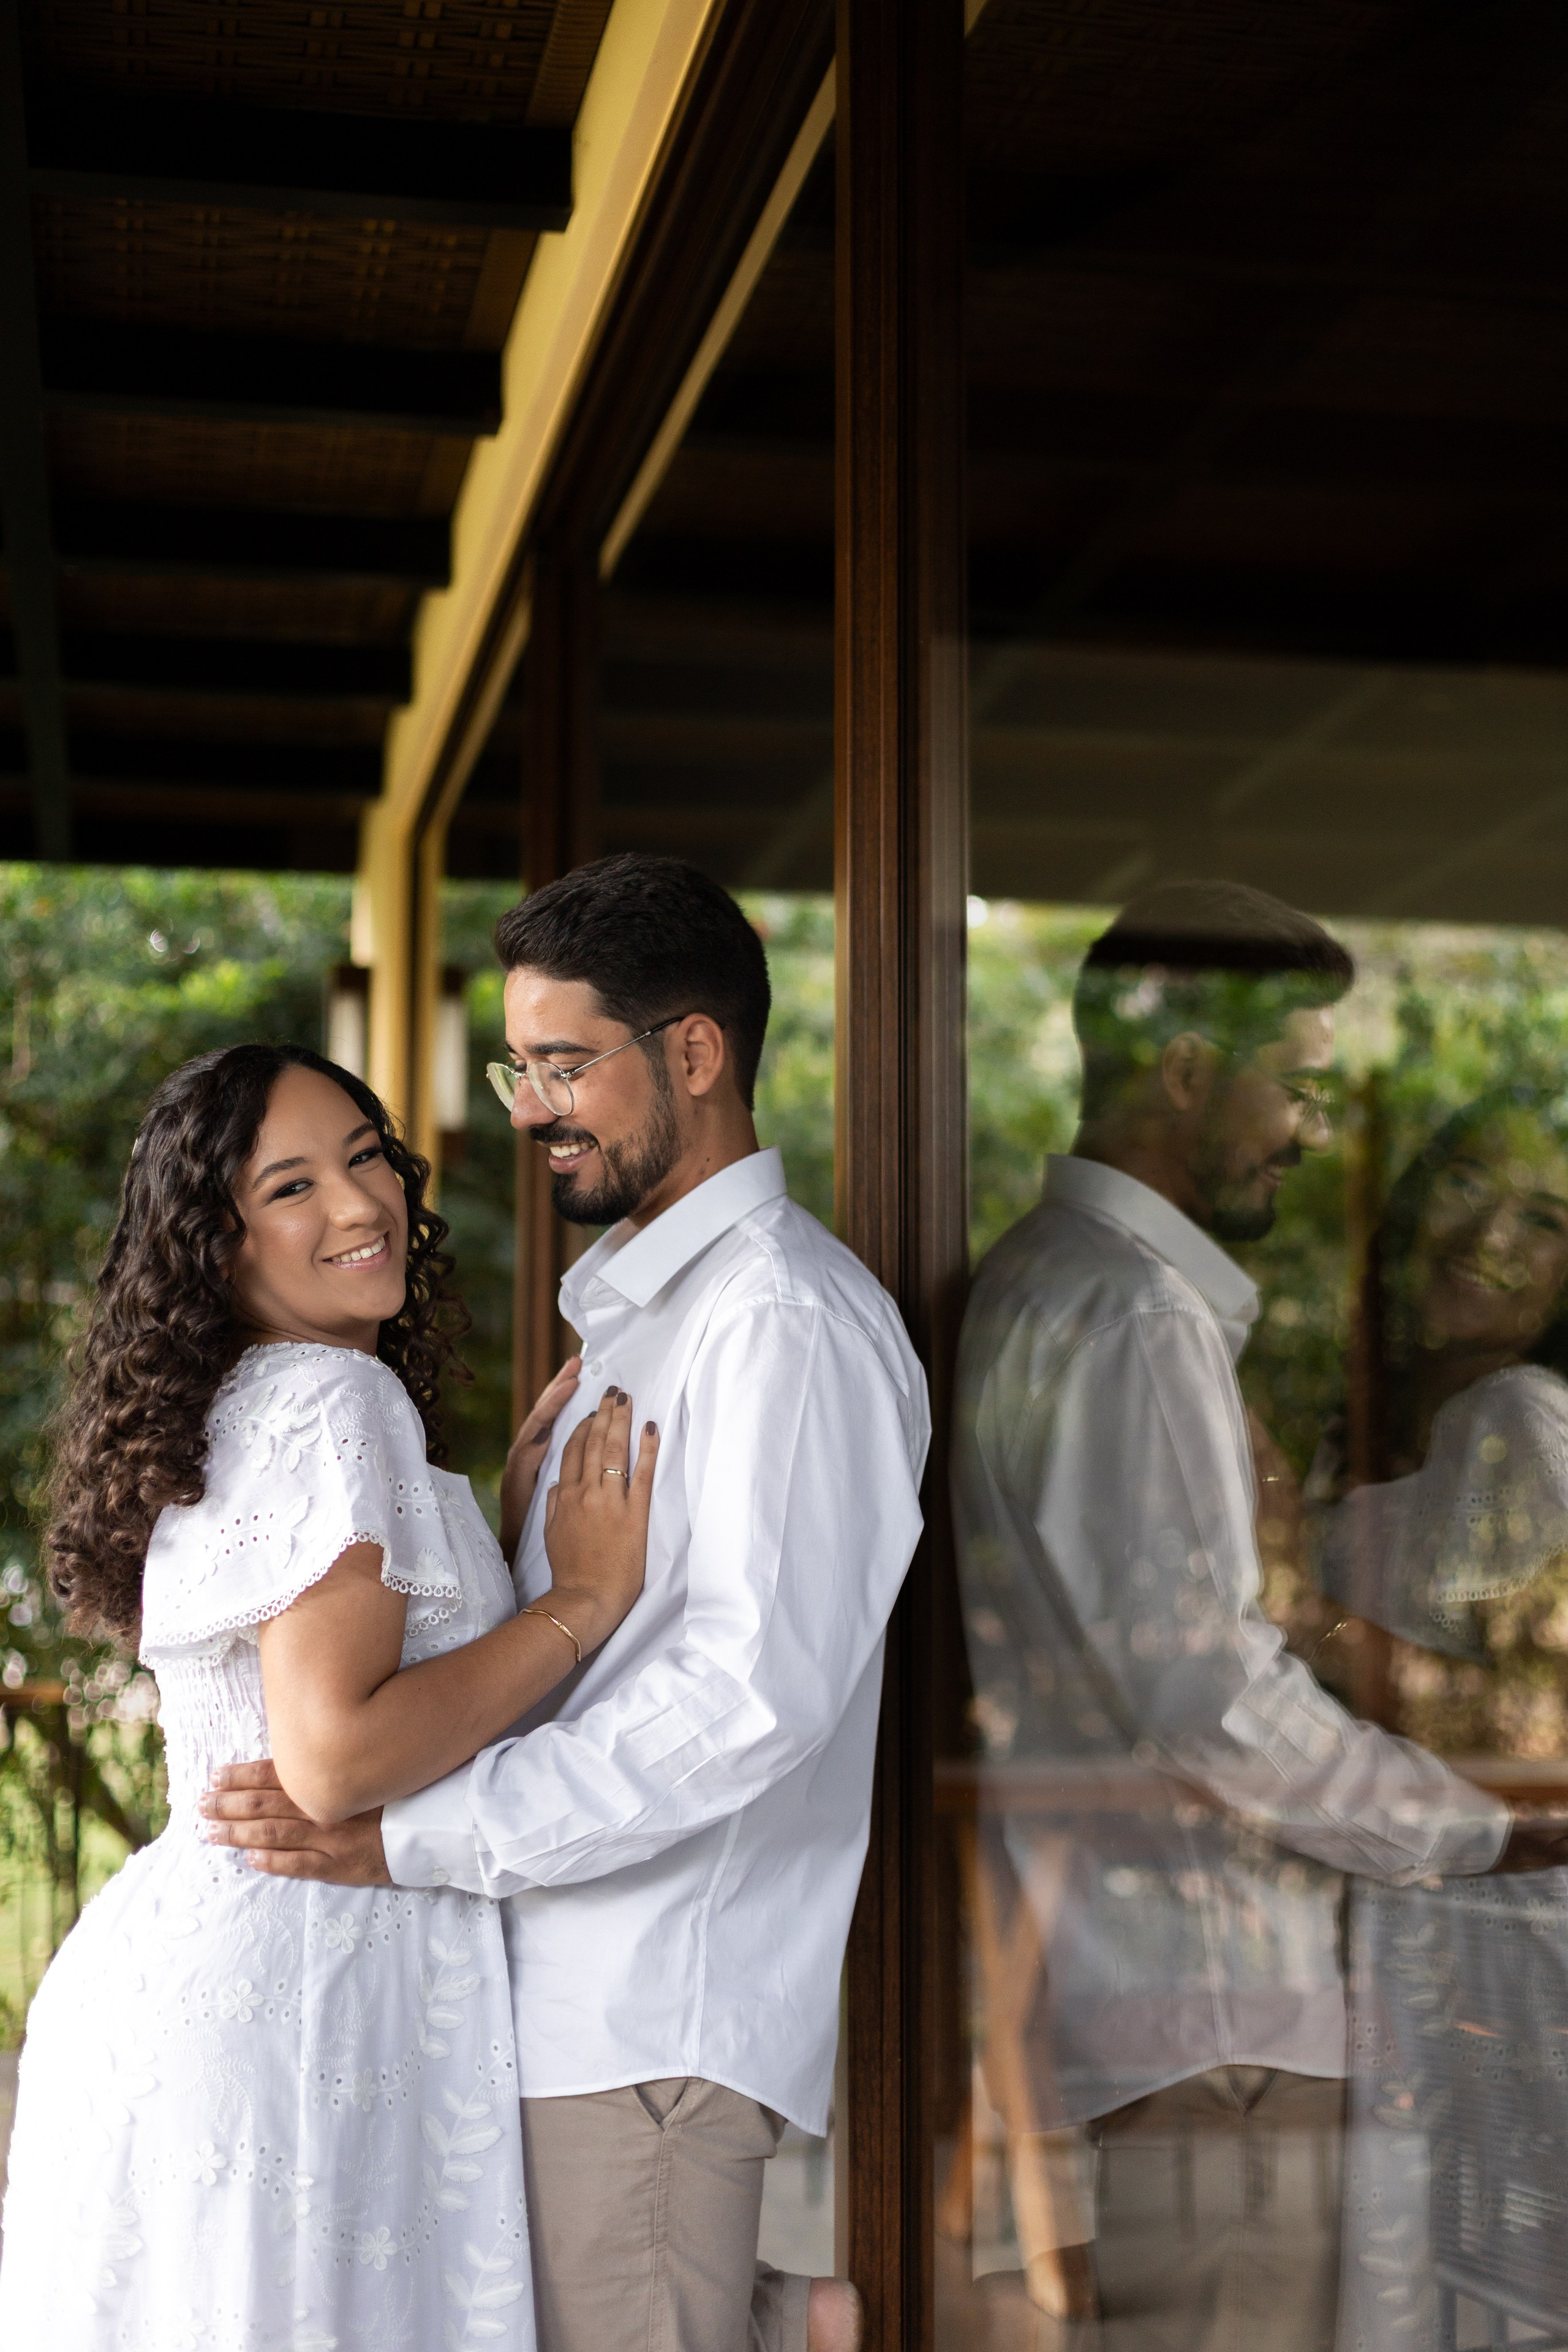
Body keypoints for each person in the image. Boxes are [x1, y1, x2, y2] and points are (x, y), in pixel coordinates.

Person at [201, 854, 932, 2352]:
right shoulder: (633, 1323)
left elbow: (745, 1702)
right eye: (515, 1064)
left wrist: (406, 1840)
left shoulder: (778, 1325)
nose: (528, 1105)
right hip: (550, 1997)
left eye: (561, 1065)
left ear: (694, 1054)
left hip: (647, 2015)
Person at [951, 882, 1568, 2351]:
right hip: (1213, 2010)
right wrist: (1474, 1828)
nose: (1305, 1127)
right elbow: (1206, 1694)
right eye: (1289, 1083)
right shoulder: (1137, 1317)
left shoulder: (1043, 1288)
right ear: (1182, 1074)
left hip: (1179, 2006)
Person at [0, 1042, 655, 2351]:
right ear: (218, 1246)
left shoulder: (245, 1400)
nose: (360, 1206)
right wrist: (576, 1601)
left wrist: (499, 1534)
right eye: (291, 1186)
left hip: (212, 1986)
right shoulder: (330, 1402)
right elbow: (334, 1757)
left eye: (365, 1158)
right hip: (294, 2007)